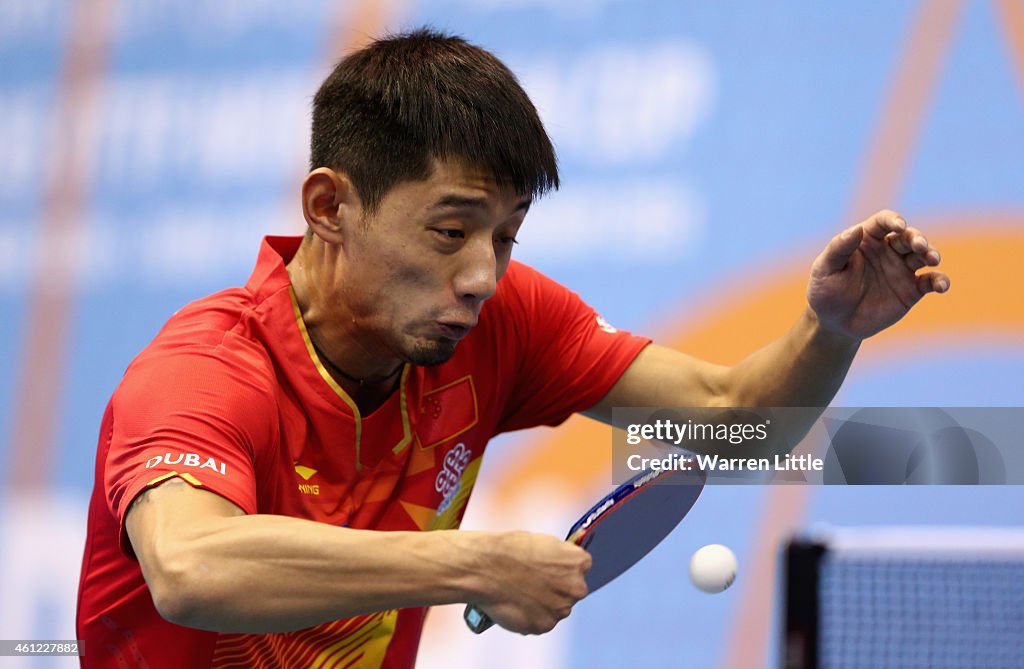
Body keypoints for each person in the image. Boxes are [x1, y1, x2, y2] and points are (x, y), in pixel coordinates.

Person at [76, 28, 949, 669]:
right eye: (450, 229)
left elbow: (733, 424)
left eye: (506, 237)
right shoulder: (205, 369)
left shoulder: (500, 323)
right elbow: (190, 565)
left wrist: (828, 332)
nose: (482, 275)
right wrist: (476, 561)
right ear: (328, 206)